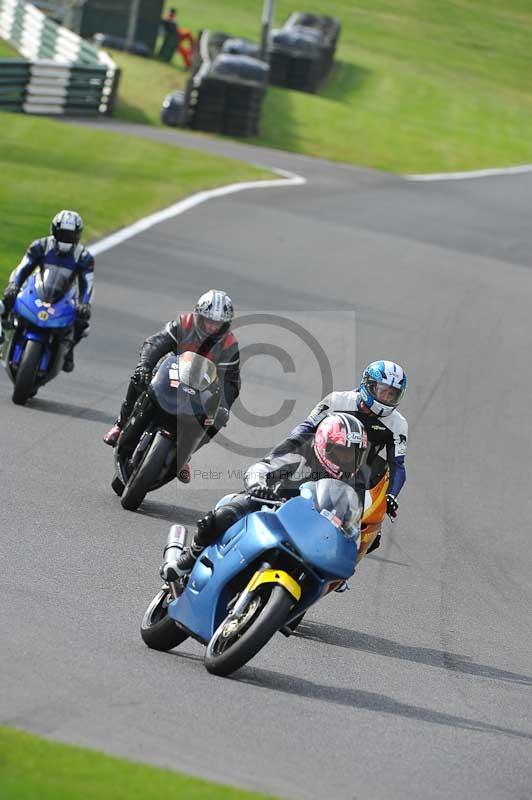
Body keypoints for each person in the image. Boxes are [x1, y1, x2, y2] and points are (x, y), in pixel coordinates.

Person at [174, 412, 369, 575]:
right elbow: (264, 466)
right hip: (270, 507)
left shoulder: (356, 480)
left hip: (310, 532)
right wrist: (258, 485)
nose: (346, 459)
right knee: (223, 515)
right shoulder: (300, 448)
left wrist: (344, 552)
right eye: (341, 451)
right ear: (323, 443)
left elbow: (352, 522)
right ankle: (190, 556)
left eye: (353, 454)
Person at [103, 289, 240, 483]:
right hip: (168, 375)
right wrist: (145, 365)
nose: (211, 326)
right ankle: (120, 424)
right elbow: (156, 343)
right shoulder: (183, 324)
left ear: (225, 323)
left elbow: (231, 382)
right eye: (208, 319)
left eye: (217, 322)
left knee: (219, 418)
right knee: (138, 377)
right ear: (199, 315)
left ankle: (185, 455)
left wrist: (223, 405)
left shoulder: (229, 345)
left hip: (199, 389)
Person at [281, 360, 408, 555]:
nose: (387, 397)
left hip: (357, 474)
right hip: (321, 460)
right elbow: (306, 427)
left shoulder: (397, 423)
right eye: (383, 391)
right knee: (283, 491)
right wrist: (288, 449)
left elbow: (398, 465)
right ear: (369, 385)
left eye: (392, 394)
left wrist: (390, 496)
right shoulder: (336, 400)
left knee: (368, 536)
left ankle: (338, 568)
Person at [1, 210, 94, 372]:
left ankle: (69, 351)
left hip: (64, 295)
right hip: (39, 287)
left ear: (77, 235)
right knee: (7, 299)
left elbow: (87, 284)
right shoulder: (40, 246)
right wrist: (14, 285)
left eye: (70, 235)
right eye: (62, 234)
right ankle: (3, 329)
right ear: (54, 231)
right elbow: (23, 268)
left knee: (82, 320)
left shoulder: (84, 257)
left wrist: (84, 304)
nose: (66, 239)